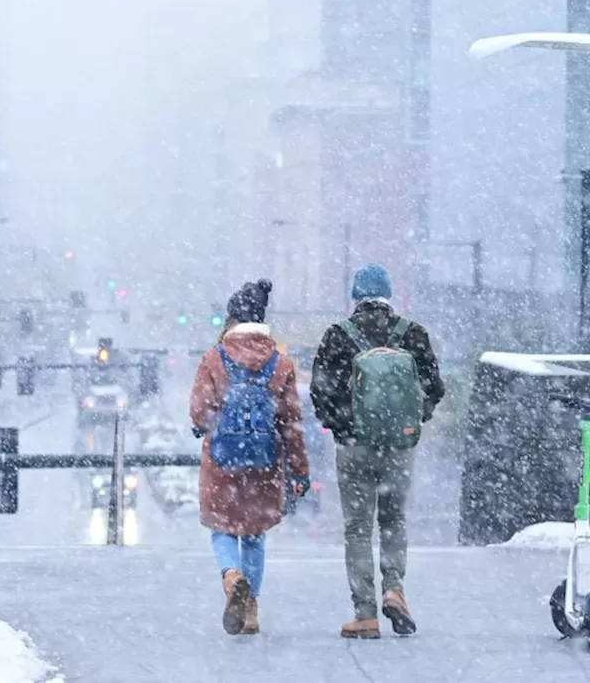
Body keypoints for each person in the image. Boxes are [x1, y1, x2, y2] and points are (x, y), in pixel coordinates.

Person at [310, 263, 445, 639]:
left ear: (355, 296)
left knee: (357, 528)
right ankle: (395, 589)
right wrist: (411, 423)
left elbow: (320, 393)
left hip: (354, 448)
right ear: (388, 294)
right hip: (399, 447)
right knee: (393, 521)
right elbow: (435, 389)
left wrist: (343, 428)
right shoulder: (413, 334)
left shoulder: (338, 335)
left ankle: (365, 614)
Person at [190, 278, 310, 636]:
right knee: (255, 536)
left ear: (232, 318)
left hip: (223, 465)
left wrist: (209, 426)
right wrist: (299, 471)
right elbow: (291, 424)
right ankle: (252, 609)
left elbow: (199, 414)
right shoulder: (281, 364)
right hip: (265, 466)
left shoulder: (214, 358)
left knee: (222, 529)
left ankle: (231, 577)